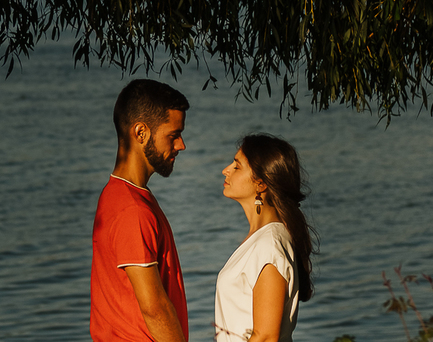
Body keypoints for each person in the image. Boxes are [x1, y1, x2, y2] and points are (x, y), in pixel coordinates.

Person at [91, 79, 191, 342]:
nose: (181, 145)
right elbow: (154, 308)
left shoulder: (120, 196)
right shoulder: (131, 209)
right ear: (141, 133)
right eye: (173, 135)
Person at [214, 134, 315, 342]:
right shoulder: (263, 240)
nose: (226, 170)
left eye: (237, 166)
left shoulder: (269, 246)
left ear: (260, 185)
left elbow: (266, 336)